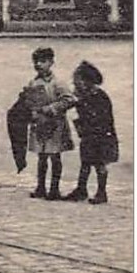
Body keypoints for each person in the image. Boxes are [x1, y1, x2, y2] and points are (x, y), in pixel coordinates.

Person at [18, 47, 76, 200]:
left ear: (51, 63)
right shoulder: (33, 82)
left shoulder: (58, 83)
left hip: (55, 125)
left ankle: (54, 189)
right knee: (41, 157)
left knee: (55, 157)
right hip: (39, 124)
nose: (38, 65)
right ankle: (41, 187)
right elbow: (29, 102)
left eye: (43, 61)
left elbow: (70, 100)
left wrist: (51, 108)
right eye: (36, 62)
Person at [64, 61, 118, 205]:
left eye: (78, 81)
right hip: (89, 135)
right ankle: (81, 190)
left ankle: (102, 193)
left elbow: (101, 118)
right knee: (85, 163)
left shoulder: (99, 96)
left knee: (100, 164)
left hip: (101, 136)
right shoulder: (83, 95)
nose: (75, 83)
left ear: (87, 81)